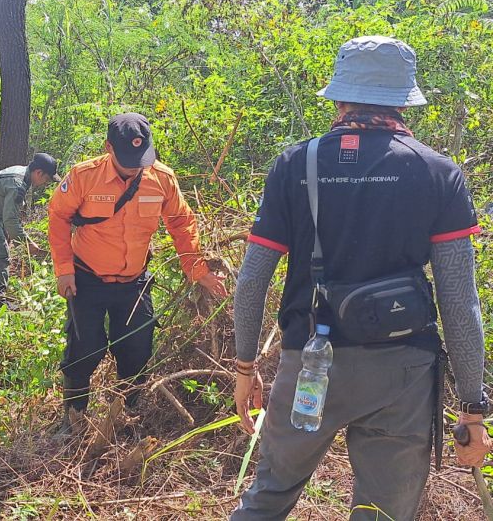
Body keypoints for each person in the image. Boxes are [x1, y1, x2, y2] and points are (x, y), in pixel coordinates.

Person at [230, 36, 490, 520]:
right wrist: (474, 406)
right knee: (382, 514)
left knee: (267, 498)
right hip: (402, 372)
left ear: (340, 95)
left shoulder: (294, 165)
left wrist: (246, 368)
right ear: (402, 98)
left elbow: (251, 282)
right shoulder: (437, 172)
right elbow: (459, 301)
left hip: (308, 361)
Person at [48, 113, 227, 430]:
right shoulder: (83, 176)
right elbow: (58, 216)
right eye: (128, 160)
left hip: (134, 281)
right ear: (108, 148)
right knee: (85, 347)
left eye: (140, 158)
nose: (135, 167)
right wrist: (64, 269)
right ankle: (73, 417)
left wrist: (197, 269)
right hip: (86, 278)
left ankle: (126, 416)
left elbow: (181, 223)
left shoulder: (161, 178)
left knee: (137, 348)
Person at [0, 153, 61, 308]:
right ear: (39, 173)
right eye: (47, 179)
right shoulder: (18, 184)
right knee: (0, 254)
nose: (46, 183)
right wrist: (26, 243)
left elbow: (8, 216)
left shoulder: (21, 172)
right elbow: (10, 221)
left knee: (1, 248)